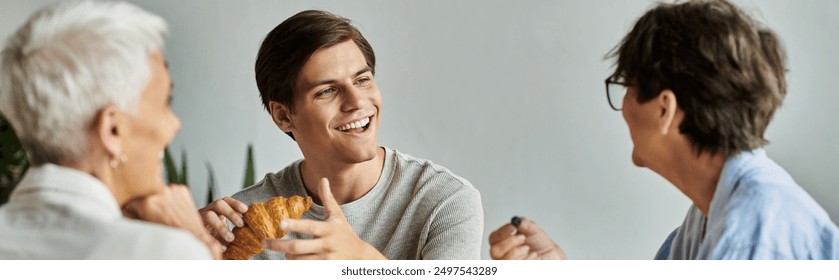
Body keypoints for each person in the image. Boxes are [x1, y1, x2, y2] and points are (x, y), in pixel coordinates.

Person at [489, 0, 839, 260]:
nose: (623, 107)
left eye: (628, 86)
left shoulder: (752, 237)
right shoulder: (706, 219)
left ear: (664, 108)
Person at [199, 10, 483, 260]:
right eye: (327, 91)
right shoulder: (241, 225)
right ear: (284, 116)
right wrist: (181, 254)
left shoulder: (444, 201)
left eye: (362, 80)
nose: (357, 102)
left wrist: (361, 260)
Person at [0, 0, 221, 259]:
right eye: (165, 102)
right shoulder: (164, 254)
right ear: (112, 130)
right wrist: (200, 244)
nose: (174, 124)